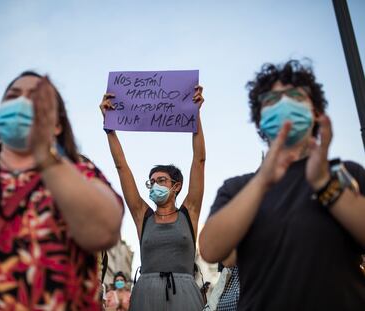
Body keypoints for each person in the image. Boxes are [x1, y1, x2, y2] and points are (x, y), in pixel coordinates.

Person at [199, 60, 365, 310]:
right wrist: (262, 182)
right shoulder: (237, 188)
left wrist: (325, 186)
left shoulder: (345, 173)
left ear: (315, 111)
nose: (284, 104)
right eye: (271, 99)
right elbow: (210, 249)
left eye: (295, 96)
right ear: (259, 118)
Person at [0, 72, 124, 310]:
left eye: (36, 98)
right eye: (13, 96)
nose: (22, 102)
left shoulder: (80, 173)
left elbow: (104, 231)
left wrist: (45, 155)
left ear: (57, 125)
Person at [99, 85, 205, 311]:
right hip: (146, 296)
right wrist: (110, 129)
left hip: (184, 296)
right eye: (152, 181)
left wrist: (195, 115)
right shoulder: (142, 216)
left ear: (176, 186)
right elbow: (122, 168)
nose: (155, 184)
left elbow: (199, 161)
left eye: (161, 180)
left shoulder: (190, 213)